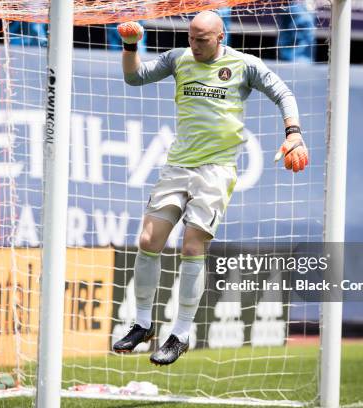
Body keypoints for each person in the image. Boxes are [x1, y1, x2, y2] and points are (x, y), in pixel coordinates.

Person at [112, 11, 309, 366]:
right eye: (191, 37)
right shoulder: (178, 59)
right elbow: (134, 78)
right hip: (178, 165)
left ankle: (181, 333)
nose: (195, 45)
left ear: (220, 37)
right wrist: (130, 46)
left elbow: (283, 93)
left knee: (191, 246)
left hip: (216, 172)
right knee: (147, 241)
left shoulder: (244, 65)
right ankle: (142, 322)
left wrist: (292, 132)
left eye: (202, 39)